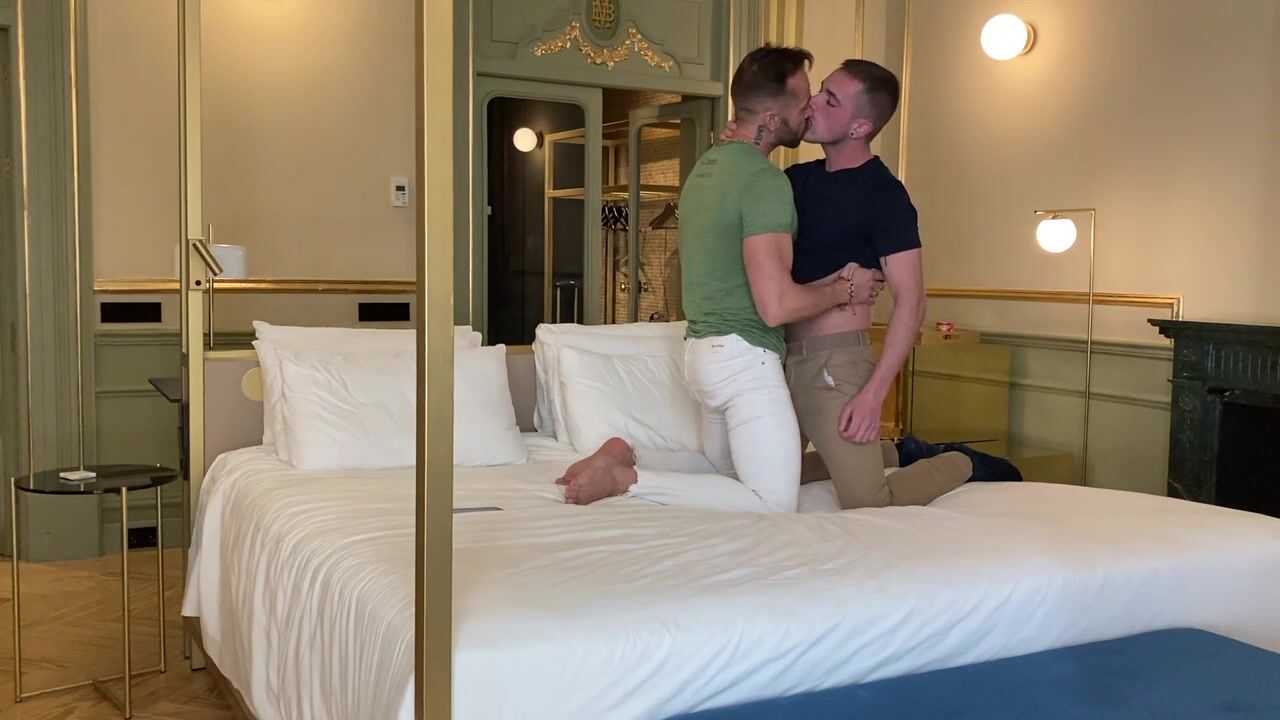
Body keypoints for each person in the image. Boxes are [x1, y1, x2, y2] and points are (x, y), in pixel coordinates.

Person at [557, 45, 881, 512]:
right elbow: (776, 306)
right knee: (772, 500)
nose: (810, 109)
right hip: (744, 360)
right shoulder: (763, 181)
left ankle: (627, 453)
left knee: (722, 474)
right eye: (803, 101)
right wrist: (845, 289)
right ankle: (627, 478)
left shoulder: (705, 168)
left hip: (703, 354)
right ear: (772, 117)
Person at [733, 58, 1020, 509]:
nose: (813, 102)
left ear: (859, 127)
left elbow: (912, 300)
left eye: (831, 100)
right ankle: (897, 453)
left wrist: (873, 396)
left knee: (868, 502)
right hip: (778, 357)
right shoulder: (795, 180)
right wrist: (738, 143)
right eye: (820, 90)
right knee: (764, 476)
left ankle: (961, 461)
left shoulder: (884, 196)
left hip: (835, 366)